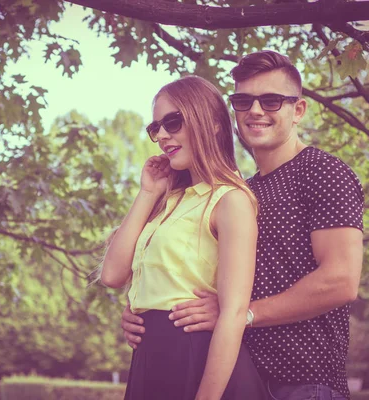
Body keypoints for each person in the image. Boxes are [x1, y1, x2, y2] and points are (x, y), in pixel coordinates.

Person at [121, 51, 364, 400]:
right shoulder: (241, 192)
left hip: (302, 383)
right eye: (243, 100)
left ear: (298, 110)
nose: (255, 111)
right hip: (240, 376)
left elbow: (340, 282)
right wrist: (144, 312)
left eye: (271, 100)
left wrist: (241, 313)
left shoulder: (322, 172)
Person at [100, 75, 267, 400]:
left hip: (198, 360)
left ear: (212, 123)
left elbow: (233, 314)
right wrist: (147, 193)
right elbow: (112, 275)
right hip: (152, 360)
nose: (161, 135)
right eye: (156, 128)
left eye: (173, 122)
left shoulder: (230, 200)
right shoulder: (169, 200)